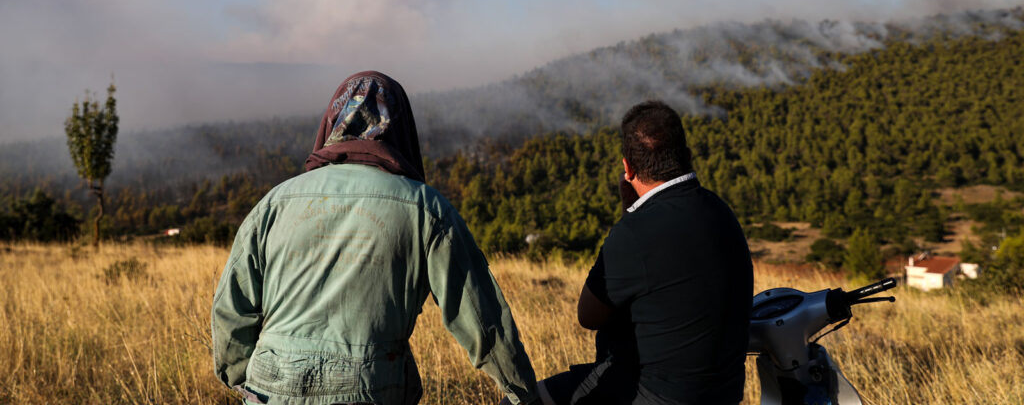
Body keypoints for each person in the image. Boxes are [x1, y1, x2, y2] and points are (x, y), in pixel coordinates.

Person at [212, 71, 538, 405]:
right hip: (371, 384)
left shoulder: (274, 203)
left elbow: (231, 310)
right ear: (400, 128)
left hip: (269, 383)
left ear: (333, 122)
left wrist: (243, 379)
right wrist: (524, 394)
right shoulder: (426, 208)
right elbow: (483, 322)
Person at [534, 100, 753, 405]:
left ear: (628, 168)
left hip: (649, 394)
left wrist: (628, 217)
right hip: (723, 394)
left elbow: (588, 315)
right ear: (687, 156)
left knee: (520, 401)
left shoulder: (634, 234)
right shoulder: (721, 212)